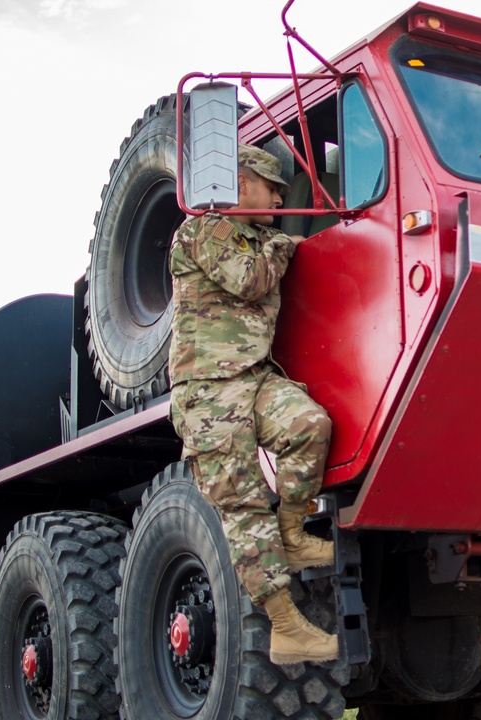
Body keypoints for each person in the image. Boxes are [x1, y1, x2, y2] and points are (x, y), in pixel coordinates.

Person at [168, 143, 338, 665]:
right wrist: (284, 245)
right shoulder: (204, 228)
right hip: (209, 391)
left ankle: (292, 533)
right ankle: (287, 629)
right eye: (273, 189)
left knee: (310, 424)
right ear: (242, 184)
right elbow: (249, 280)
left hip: (254, 377)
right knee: (244, 509)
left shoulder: (257, 237)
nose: (281, 199)